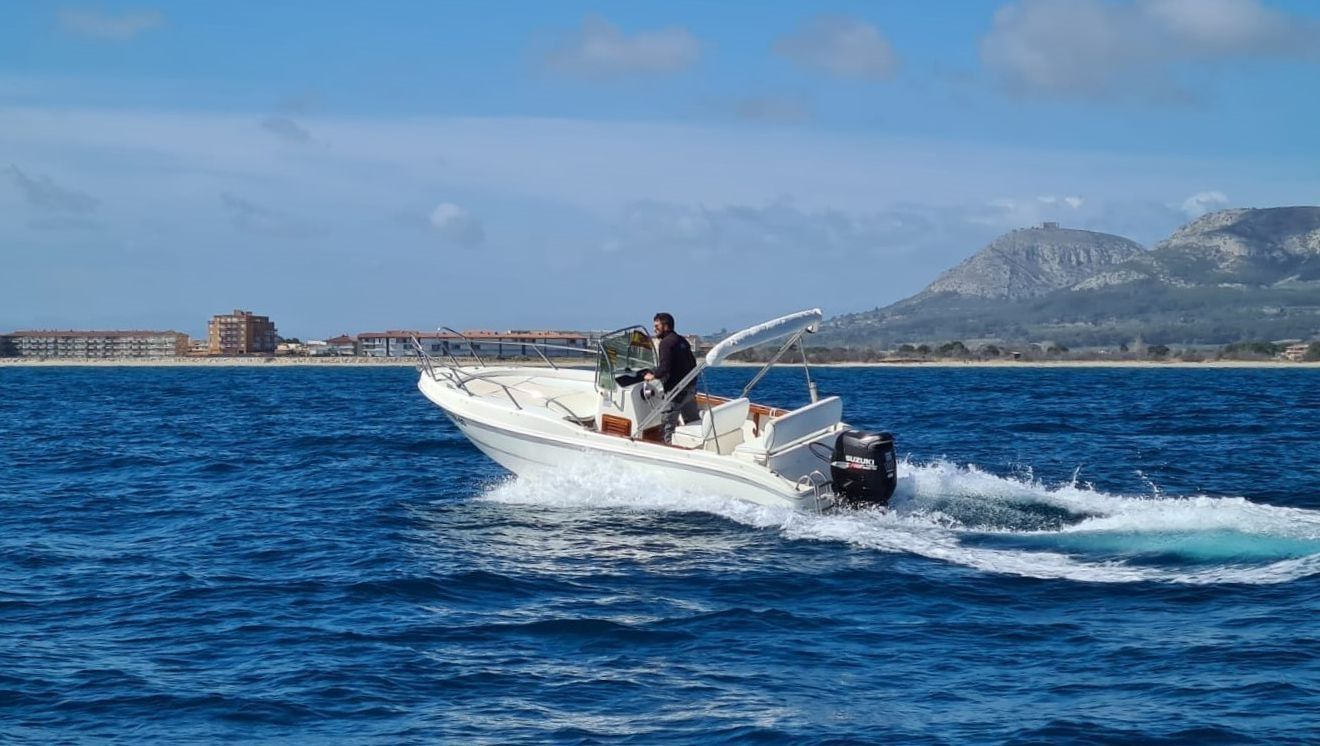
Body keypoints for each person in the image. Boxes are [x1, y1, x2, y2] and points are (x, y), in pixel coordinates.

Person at [644, 312, 700, 443]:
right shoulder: (682, 340)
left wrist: (653, 375)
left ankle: (667, 449)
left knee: (666, 430)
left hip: (676, 393)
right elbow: (692, 364)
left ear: (666, 326)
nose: (654, 329)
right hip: (690, 389)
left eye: (657, 326)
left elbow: (664, 368)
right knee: (694, 423)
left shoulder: (666, 343)